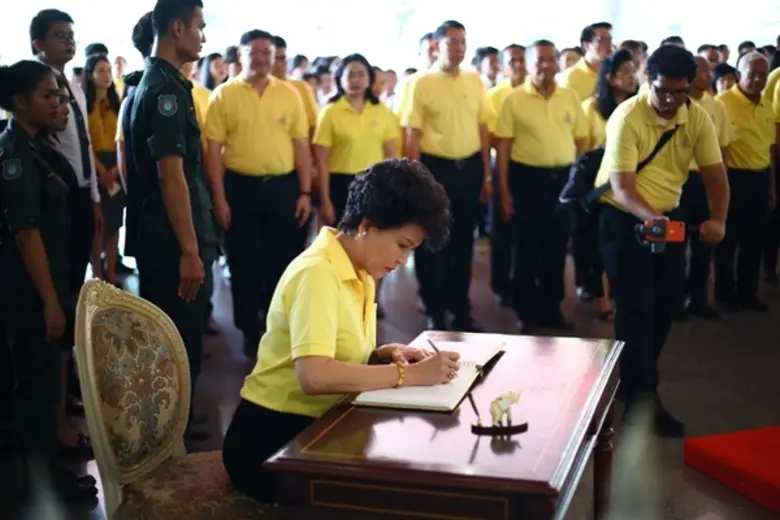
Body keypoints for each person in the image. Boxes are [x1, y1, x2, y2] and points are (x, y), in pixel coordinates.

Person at [222, 158, 456, 502]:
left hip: (321, 425)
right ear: (367, 226)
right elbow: (314, 376)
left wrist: (382, 355)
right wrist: (409, 376)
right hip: (273, 440)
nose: (404, 260)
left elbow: (337, 354)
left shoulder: (360, 269)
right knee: (399, 494)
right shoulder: (317, 273)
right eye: (402, 245)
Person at [593, 45, 728, 436]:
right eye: (662, 91)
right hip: (622, 217)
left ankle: (631, 382)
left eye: (680, 92)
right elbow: (622, 188)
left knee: (667, 304)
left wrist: (717, 218)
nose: (670, 100)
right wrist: (656, 221)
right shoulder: (628, 116)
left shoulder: (696, 117)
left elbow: (716, 176)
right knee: (636, 310)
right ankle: (642, 398)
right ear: (646, 81)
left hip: (667, 214)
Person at [0, 60, 97, 502]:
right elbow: (27, 234)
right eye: (49, 96)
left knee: (44, 387)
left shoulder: (39, 146)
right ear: (20, 102)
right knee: (36, 393)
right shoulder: (15, 154)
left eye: (61, 95)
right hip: (30, 296)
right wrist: (50, 302)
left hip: (50, 285)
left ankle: (48, 477)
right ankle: (41, 489)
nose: (59, 102)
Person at [127, 0, 218, 445]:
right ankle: (168, 441)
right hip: (170, 240)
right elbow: (170, 174)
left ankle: (174, 426)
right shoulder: (164, 90)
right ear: (178, 27)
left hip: (166, 234)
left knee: (178, 338)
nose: (203, 37)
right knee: (175, 341)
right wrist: (189, 249)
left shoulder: (160, 84)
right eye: (199, 27)